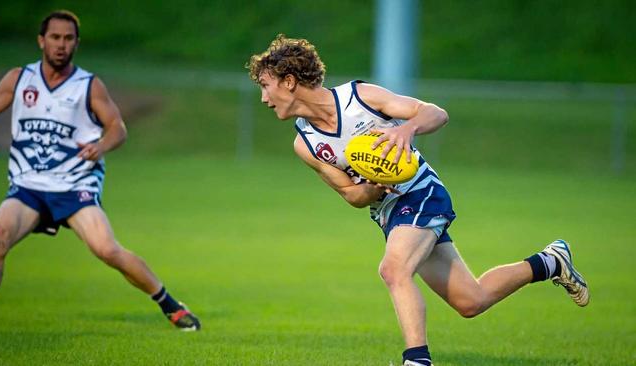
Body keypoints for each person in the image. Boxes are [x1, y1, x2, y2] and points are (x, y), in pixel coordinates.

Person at [247, 34, 589, 365]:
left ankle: (417, 360)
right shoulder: (304, 144)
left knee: (393, 269)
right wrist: (374, 186)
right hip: (390, 213)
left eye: (265, 85)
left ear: (289, 81)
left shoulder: (359, 97)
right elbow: (350, 194)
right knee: (471, 301)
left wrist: (404, 130)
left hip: (421, 192)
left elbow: (435, 113)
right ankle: (550, 261)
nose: (263, 98)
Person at [0, 10, 200, 331]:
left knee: (106, 249)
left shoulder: (88, 85)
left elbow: (118, 128)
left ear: (77, 43)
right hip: (28, 186)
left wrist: (101, 145)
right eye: (55, 37)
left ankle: (170, 304)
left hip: (75, 184)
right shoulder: (20, 79)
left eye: (68, 39)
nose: (61, 45)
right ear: (41, 41)